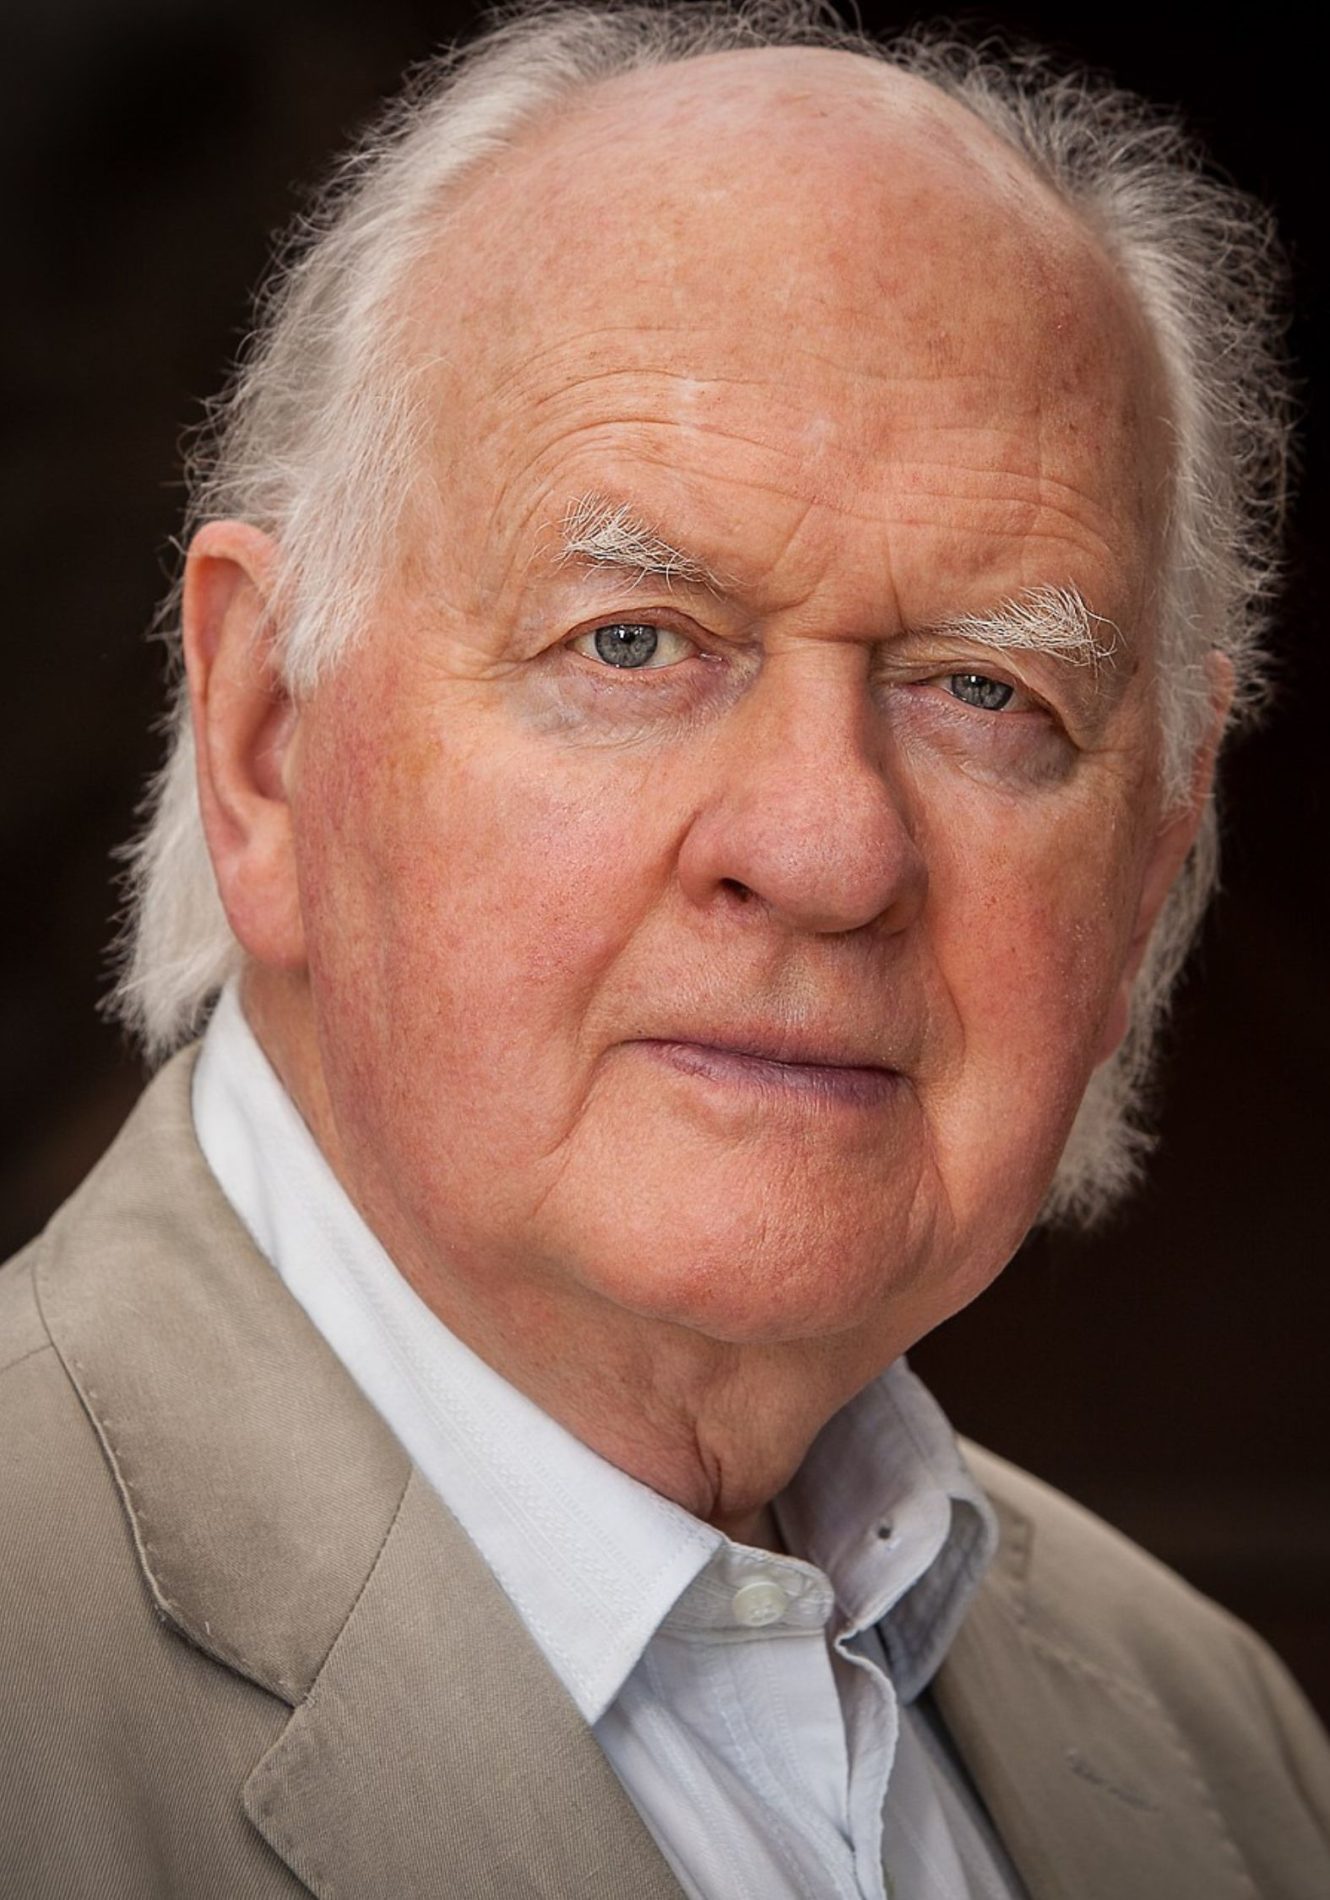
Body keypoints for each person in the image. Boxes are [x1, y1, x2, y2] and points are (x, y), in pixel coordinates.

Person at [2, 3, 1326, 1895]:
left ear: (1150, 861)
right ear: (265, 740)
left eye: (982, 687)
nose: (823, 850)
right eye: (630, 641)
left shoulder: (1225, 1750)